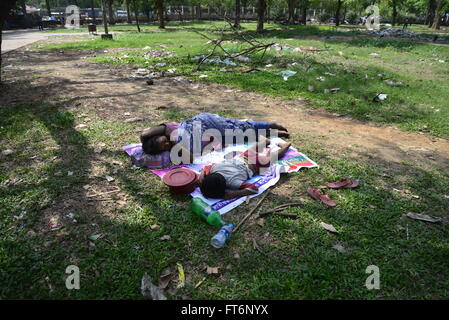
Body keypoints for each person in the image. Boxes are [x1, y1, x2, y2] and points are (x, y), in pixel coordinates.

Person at [139, 113, 289, 160]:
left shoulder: (168, 129)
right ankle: (271, 132)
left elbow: (144, 134)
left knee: (240, 127)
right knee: (241, 134)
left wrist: (146, 140)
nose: (166, 144)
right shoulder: (177, 151)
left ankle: (270, 125)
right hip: (215, 136)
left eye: (163, 141)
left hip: (206, 122)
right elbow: (191, 158)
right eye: (163, 147)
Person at [198, 137, 291, 199]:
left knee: (271, 158)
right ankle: (265, 142)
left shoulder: (233, 182)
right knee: (252, 150)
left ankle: (285, 147)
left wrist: (235, 194)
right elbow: (207, 167)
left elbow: (254, 189)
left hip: (256, 163)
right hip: (242, 157)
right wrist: (202, 174)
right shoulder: (214, 169)